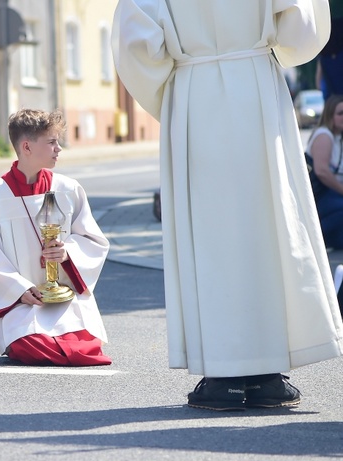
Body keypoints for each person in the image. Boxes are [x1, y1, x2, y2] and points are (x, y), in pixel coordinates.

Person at [113, 0, 343, 411]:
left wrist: (172, 87)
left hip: (195, 96)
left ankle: (223, 372)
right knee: (268, 229)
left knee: (210, 234)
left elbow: (135, 44)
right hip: (256, 91)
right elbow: (299, 34)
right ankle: (269, 372)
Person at [0, 109, 112, 366]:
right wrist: (19, 291)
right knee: (32, 346)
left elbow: (94, 241)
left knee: (83, 350)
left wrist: (67, 253)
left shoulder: (69, 189)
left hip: (65, 298)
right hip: (24, 302)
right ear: (26, 146)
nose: (58, 149)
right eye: (51, 142)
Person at [307, 94, 343, 249]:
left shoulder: (338, 137)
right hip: (320, 196)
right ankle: (313, 238)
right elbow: (321, 171)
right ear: (330, 116)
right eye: (340, 113)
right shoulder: (324, 135)